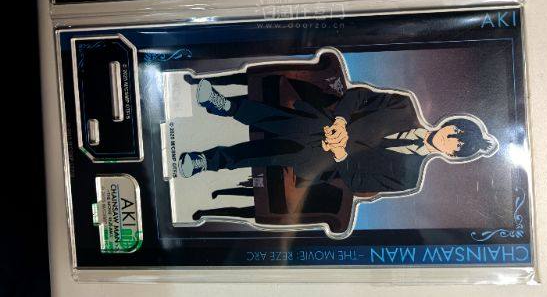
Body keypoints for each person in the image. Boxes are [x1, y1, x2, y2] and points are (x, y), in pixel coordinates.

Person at [177, 73, 496, 195]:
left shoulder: (409, 178)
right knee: (289, 122)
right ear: (450, 123)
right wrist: (341, 121)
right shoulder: (404, 106)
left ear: (452, 155)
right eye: (455, 131)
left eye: (456, 144)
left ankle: (206, 161)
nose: (449, 138)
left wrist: (341, 153)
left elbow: (359, 184)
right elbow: (358, 95)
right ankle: (226, 107)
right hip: (323, 124)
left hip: (326, 161)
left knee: (271, 153)